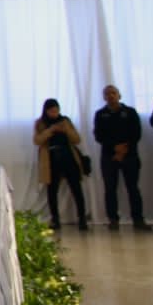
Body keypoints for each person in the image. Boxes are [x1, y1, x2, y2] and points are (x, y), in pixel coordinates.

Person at [93, 85, 146, 230]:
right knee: (110, 189)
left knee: (133, 188)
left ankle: (138, 219)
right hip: (109, 157)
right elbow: (99, 135)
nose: (111, 96)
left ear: (119, 95)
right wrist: (114, 149)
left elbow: (136, 133)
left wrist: (123, 149)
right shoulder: (100, 114)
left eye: (113, 93)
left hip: (130, 155)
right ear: (104, 97)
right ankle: (113, 220)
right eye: (107, 94)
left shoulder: (130, 112)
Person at [35, 98, 89, 232]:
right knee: (52, 191)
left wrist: (66, 130)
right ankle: (55, 219)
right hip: (51, 159)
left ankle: (82, 218)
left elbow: (77, 139)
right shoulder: (41, 123)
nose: (54, 113)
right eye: (51, 111)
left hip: (68, 157)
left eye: (56, 110)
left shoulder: (65, 120)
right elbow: (38, 140)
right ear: (46, 111)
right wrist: (51, 130)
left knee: (76, 188)